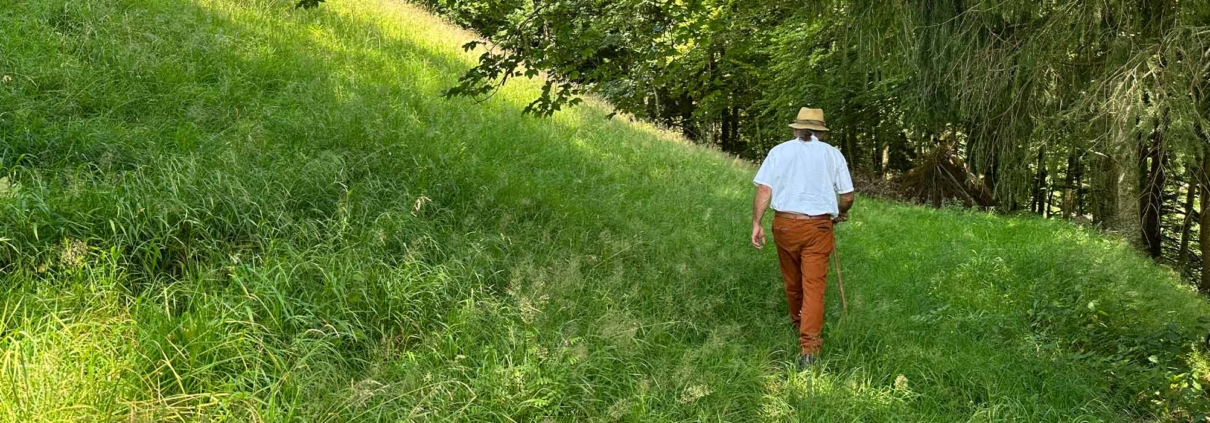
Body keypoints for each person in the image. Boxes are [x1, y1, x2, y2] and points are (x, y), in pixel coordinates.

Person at [750, 107, 855, 370]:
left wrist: (756, 223)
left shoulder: (779, 151)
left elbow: (765, 189)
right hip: (818, 227)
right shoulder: (832, 154)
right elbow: (848, 196)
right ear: (820, 132)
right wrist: (841, 213)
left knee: (793, 281)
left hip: (784, 224)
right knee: (814, 286)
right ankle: (808, 348)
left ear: (796, 129)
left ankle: (798, 323)